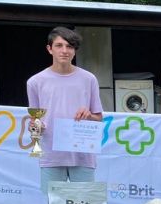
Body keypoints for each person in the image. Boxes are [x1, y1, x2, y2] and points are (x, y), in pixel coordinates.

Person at [26, 26, 104, 194]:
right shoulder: (35, 82)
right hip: (51, 156)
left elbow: (99, 118)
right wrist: (36, 127)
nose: (64, 51)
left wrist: (89, 115)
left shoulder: (89, 79)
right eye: (59, 45)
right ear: (49, 49)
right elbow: (35, 121)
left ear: (74, 51)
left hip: (83, 155)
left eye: (69, 46)